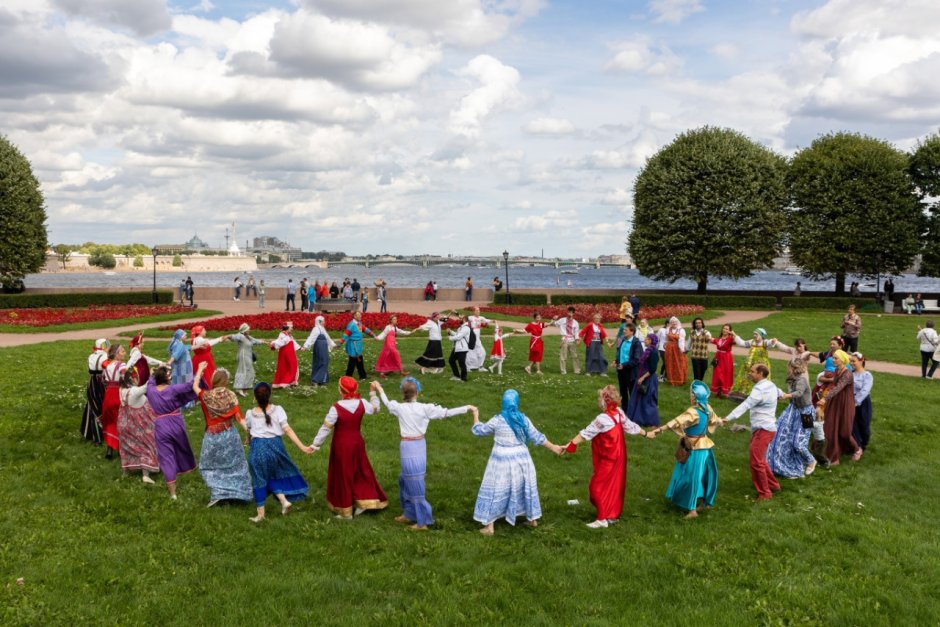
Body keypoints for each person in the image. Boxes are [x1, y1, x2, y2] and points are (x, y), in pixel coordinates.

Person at [375, 378, 477, 530]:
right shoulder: (424, 408)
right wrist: (467, 407)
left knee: (414, 483)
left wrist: (379, 388)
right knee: (405, 479)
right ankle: (409, 513)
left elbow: (387, 402)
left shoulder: (400, 407)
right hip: (414, 446)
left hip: (411, 447)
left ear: (403, 393)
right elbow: (446, 413)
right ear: (417, 392)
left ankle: (423, 521)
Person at [471, 389, 563, 535]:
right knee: (525, 487)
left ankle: (489, 527)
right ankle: (532, 519)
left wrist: (475, 416)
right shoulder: (523, 419)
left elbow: (480, 431)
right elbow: (537, 437)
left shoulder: (498, 419)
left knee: (495, 489)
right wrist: (554, 448)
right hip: (522, 460)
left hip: (501, 461)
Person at [561, 386, 647, 528]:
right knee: (613, 485)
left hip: (609, 458)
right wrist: (646, 434)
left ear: (604, 402)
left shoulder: (603, 418)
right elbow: (630, 426)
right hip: (620, 456)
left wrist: (570, 445)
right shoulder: (618, 413)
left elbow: (586, 433)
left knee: (596, 487)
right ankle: (611, 514)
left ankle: (602, 519)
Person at [311, 376, 387, 518]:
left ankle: (346, 511)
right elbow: (376, 409)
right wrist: (372, 393)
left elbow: (326, 428)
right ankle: (363, 502)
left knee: (343, 475)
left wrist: (315, 444)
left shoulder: (336, 407)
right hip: (357, 442)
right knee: (360, 471)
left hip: (341, 445)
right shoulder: (362, 403)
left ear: (341, 390)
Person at [647, 381, 721, 518]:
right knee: (705, 474)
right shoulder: (707, 408)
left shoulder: (693, 412)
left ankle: (692, 510)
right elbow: (716, 421)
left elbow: (676, 422)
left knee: (691, 477)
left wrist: (657, 431)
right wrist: (722, 421)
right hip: (705, 447)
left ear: (695, 396)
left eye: (691, 394)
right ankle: (706, 502)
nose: (690, 396)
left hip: (694, 448)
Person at [246, 382, 312, 522]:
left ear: (255, 397)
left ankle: (260, 514)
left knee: (259, 479)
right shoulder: (278, 410)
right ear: (270, 395)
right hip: (276, 448)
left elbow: (249, 431)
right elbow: (287, 430)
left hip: (258, 449)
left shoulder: (250, 414)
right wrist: (302, 446)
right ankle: (284, 501)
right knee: (273, 475)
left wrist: (247, 440)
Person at [721, 363, 783, 501]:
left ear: (760, 374)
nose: (749, 373)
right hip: (766, 428)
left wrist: (728, 418)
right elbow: (781, 394)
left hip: (763, 429)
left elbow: (745, 405)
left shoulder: (759, 390)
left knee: (756, 462)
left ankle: (765, 493)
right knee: (760, 459)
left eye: (753, 371)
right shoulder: (771, 385)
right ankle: (774, 485)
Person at [146, 363, 205, 499]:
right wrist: (200, 370)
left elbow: (150, 379)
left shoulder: (151, 390)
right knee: (182, 448)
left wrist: (152, 372)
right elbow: (191, 385)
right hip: (176, 423)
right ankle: (185, 466)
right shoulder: (173, 389)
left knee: (166, 458)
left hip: (160, 425)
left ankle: (173, 493)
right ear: (166, 379)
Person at [198, 368, 253, 506]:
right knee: (236, 464)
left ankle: (218, 492)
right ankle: (238, 493)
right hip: (229, 435)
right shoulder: (231, 395)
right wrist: (249, 432)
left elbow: (194, 386)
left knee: (210, 466)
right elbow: (239, 418)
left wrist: (199, 370)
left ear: (213, 380)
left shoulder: (206, 396)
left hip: (211, 437)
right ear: (226, 381)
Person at [766, 357, 817, 479]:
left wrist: (786, 395)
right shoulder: (791, 379)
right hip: (793, 410)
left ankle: (811, 461)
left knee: (799, 443)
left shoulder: (802, 380)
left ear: (793, 368)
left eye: (789, 366)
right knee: (779, 436)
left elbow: (798, 393)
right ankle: (780, 464)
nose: (787, 369)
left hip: (807, 413)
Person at [816, 350, 860, 465]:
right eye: (833, 358)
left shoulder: (848, 373)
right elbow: (833, 385)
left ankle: (857, 449)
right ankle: (833, 457)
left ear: (842, 360)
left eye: (836, 358)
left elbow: (839, 387)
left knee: (844, 432)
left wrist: (825, 398)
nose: (833, 360)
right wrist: (822, 390)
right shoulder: (836, 370)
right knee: (831, 429)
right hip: (835, 402)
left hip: (845, 404)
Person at [117, 368, 159, 484]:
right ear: (132, 379)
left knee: (127, 447)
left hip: (125, 424)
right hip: (138, 425)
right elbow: (147, 386)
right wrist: (152, 375)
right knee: (146, 445)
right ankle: (146, 475)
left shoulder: (121, 390)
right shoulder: (134, 391)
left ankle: (126, 471)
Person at [730, 328, 773, 399]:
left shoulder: (764, 343)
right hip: (750, 365)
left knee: (760, 380)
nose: (754, 335)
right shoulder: (752, 342)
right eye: (754, 334)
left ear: (761, 335)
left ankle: (761, 396)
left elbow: (770, 342)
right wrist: (735, 335)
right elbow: (742, 343)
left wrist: (772, 341)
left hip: (760, 367)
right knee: (748, 379)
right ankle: (748, 394)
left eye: (756, 334)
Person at [100, 343, 126, 460]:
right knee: (121, 420)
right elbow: (124, 379)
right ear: (116, 354)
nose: (124, 353)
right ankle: (122, 449)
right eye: (121, 351)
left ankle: (110, 449)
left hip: (108, 395)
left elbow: (104, 380)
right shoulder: (121, 365)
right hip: (118, 394)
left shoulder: (107, 366)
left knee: (110, 420)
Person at [627, 333, 660, 427]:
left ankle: (649, 420)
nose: (644, 340)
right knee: (639, 399)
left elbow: (652, 369)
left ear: (650, 341)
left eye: (646, 339)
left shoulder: (653, 352)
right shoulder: (648, 350)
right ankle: (637, 417)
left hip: (648, 379)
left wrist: (642, 377)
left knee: (647, 400)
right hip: (642, 377)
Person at [81, 338, 109, 445]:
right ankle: (104, 432)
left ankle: (93, 433)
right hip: (102, 383)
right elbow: (107, 371)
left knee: (93, 404)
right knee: (103, 404)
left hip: (92, 382)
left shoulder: (91, 356)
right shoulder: (105, 357)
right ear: (103, 346)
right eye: (106, 344)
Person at [337, 311, 376, 379]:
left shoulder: (359, 324)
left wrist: (373, 335)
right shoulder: (351, 325)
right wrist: (340, 343)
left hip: (358, 345)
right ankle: (348, 376)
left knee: (359, 360)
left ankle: (362, 375)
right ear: (354, 316)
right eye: (359, 315)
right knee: (352, 360)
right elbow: (346, 334)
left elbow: (365, 329)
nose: (360, 316)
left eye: (360, 315)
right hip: (353, 345)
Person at [230, 323, 265, 396]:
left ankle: (243, 388)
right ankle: (239, 389)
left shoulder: (248, 337)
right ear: (244, 330)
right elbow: (234, 337)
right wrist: (228, 336)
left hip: (247, 356)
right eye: (248, 329)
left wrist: (264, 342)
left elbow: (255, 341)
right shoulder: (241, 336)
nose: (249, 330)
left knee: (249, 372)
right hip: (243, 357)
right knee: (243, 371)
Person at [850, 352, 873, 455]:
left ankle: (864, 443)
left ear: (861, 361)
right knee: (853, 424)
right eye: (850, 361)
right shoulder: (850, 373)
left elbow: (865, 390)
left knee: (864, 424)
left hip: (863, 403)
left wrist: (856, 401)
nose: (851, 363)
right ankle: (858, 446)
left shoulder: (867, 375)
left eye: (854, 361)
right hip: (850, 401)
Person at [302, 316, 336, 385]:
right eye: (323, 321)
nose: (324, 322)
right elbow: (311, 338)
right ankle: (316, 379)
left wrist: (333, 345)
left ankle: (322, 379)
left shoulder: (322, 329)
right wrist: (305, 346)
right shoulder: (316, 329)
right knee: (322, 361)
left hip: (323, 347)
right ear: (320, 321)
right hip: (319, 347)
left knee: (323, 361)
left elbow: (327, 338)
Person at [615, 322, 642, 408]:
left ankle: (634, 410)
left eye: (626, 330)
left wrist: (624, 365)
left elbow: (637, 360)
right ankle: (625, 409)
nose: (624, 331)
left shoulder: (636, 343)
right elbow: (620, 353)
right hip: (621, 370)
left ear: (632, 332)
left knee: (632, 392)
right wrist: (616, 361)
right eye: (624, 330)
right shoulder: (623, 340)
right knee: (623, 391)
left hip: (631, 372)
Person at [271, 322, 301, 389]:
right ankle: (284, 382)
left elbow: (294, 343)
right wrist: (273, 344)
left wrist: (300, 348)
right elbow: (279, 342)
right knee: (290, 367)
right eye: (291, 328)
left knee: (290, 367)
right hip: (286, 354)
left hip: (290, 354)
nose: (292, 329)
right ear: (287, 328)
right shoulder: (283, 335)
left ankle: (291, 382)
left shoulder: (288, 335)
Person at [552, 306, 581, 375]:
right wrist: (554, 319)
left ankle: (577, 370)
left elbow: (576, 332)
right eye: (568, 312)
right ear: (567, 312)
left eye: (571, 312)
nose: (569, 313)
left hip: (572, 340)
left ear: (573, 313)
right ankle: (563, 371)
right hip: (564, 340)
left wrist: (577, 340)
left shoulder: (575, 323)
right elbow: (554, 324)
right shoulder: (562, 320)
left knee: (575, 356)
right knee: (563, 356)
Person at [709, 324, 735, 398]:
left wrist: (733, 335)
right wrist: (708, 336)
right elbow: (713, 340)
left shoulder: (730, 339)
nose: (725, 330)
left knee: (725, 374)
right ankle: (718, 390)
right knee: (717, 373)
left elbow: (735, 341)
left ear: (729, 331)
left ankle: (725, 391)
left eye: (727, 329)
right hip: (718, 357)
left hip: (726, 359)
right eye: (724, 328)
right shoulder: (720, 338)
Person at [663, 317, 688, 386]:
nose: (674, 323)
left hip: (678, 349)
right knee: (670, 363)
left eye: (675, 322)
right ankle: (671, 379)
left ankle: (680, 379)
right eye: (672, 322)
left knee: (679, 363)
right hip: (669, 349)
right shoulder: (668, 330)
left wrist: (682, 349)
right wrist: (665, 345)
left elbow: (681, 340)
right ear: (670, 323)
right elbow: (666, 339)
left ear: (677, 322)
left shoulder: (681, 330)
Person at [465, 307, 492, 371]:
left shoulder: (481, 318)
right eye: (476, 310)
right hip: (471, 338)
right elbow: (463, 318)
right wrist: (456, 313)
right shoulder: (471, 317)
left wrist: (493, 321)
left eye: (479, 310)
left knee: (482, 352)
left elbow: (487, 320)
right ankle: (468, 367)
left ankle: (480, 366)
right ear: (473, 312)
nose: (478, 311)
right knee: (469, 352)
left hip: (477, 339)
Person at [686, 318, 711, 383]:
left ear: (702, 324)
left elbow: (709, 341)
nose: (698, 324)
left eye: (699, 323)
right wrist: (686, 350)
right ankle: (696, 385)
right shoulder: (692, 332)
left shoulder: (706, 332)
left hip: (704, 355)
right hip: (695, 355)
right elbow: (689, 343)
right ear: (694, 324)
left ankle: (699, 382)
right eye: (696, 323)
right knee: (696, 371)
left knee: (703, 369)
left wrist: (708, 338)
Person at [447, 314, 472, 382]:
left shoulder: (466, 328)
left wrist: (450, 338)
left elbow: (459, 337)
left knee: (461, 363)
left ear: (464, 319)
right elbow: (457, 334)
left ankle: (463, 378)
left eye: (460, 318)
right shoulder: (461, 327)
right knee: (451, 360)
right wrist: (451, 332)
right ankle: (457, 376)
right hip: (457, 347)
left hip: (462, 348)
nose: (459, 319)